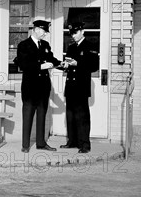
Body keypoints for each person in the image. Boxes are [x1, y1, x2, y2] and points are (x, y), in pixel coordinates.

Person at [16, 20, 62, 153]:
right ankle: (25, 145)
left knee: (42, 115)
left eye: (46, 32)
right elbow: (23, 65)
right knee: (28, 115)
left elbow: (52, 59)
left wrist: (62, 65)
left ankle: (41, 143)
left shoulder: (45, 45)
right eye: (43, 31)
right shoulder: (24, 45)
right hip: (30, 87)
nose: (45, 34)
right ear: (35, 29)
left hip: (43, 87)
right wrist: (40, 66)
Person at [60, 22, 100, 154]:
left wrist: (78, 63)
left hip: (81, 87)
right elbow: (68, 64)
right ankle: (72, 141)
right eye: (71, 33)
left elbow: (94, 66)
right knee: (70, 115)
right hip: (71, 86)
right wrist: (64, 65)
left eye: (75, 33)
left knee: (82, 116)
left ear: (82, 31)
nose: (73, 35)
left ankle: (85, 144)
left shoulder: (90, 46)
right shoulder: (71, 47)